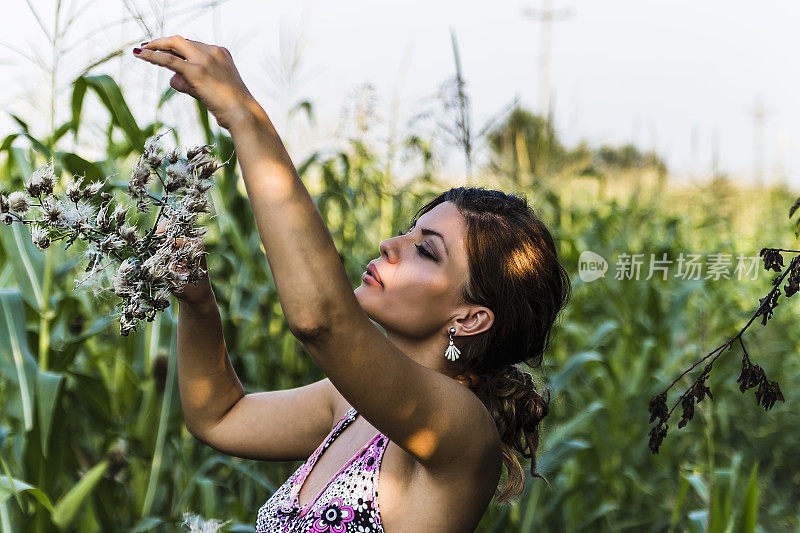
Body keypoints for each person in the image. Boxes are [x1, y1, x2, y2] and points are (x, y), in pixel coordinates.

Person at [135, 37, 571, 532]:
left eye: (426, 250)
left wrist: (243, 115)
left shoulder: (460, 432)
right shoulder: (347, 405)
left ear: (469, 317)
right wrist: (198, 303)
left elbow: (321, 320)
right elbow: (220, 416)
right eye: (408, 231)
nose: (390, 244)